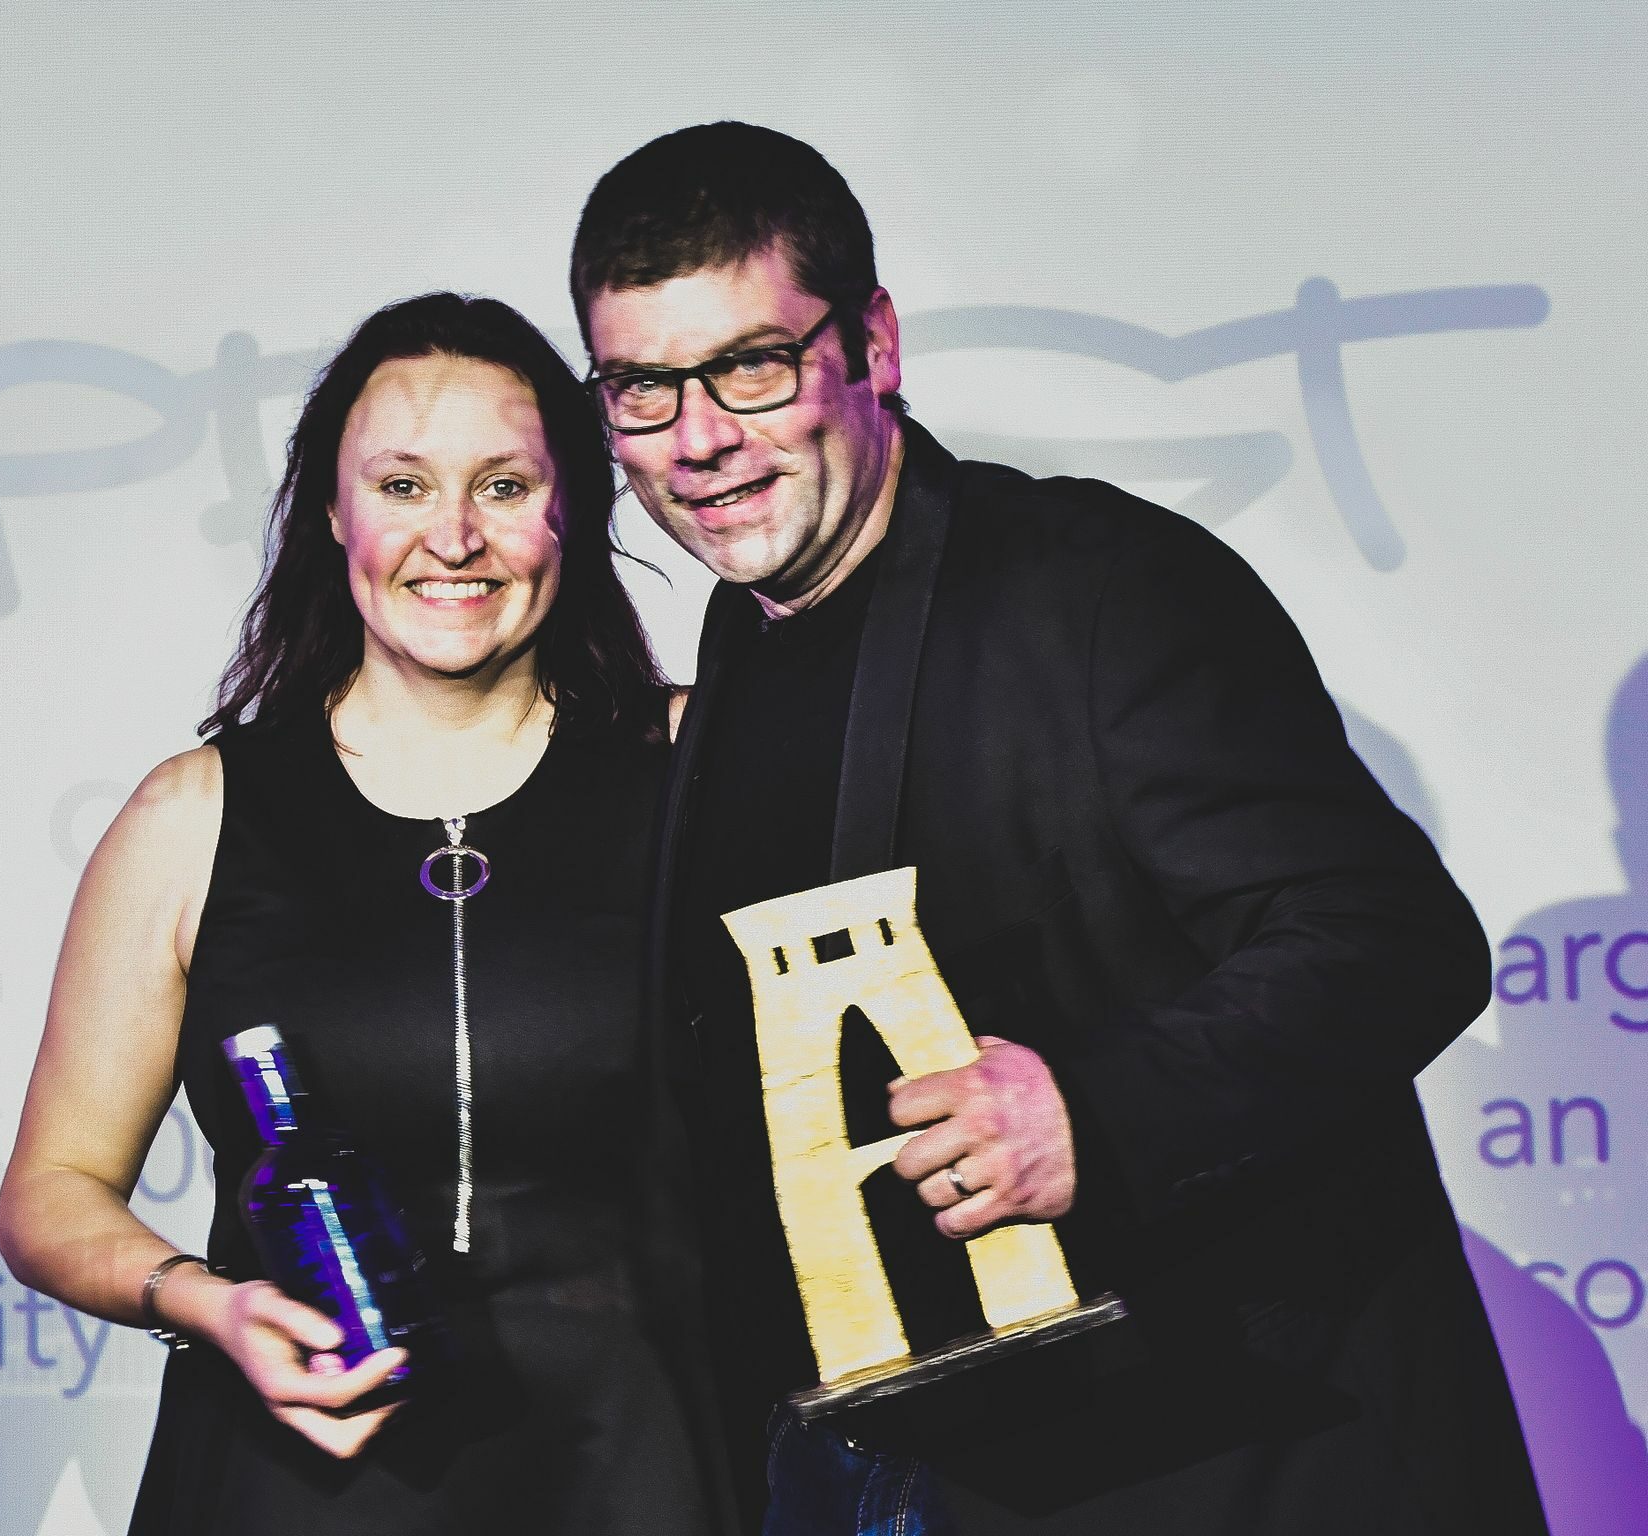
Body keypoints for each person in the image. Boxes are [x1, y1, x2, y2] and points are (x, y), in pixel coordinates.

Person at [570, 123, 1548, 1535]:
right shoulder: (735, 653)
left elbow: (1397, 943)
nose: (701, 437)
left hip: (1226, 1472)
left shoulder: (1098, 585)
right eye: (643, 389)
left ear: (875, 345)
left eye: (752, 365)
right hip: (915, 1476)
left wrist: (1097, 1109)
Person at [0, 292, 731, 1534]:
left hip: (636, 1470)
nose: (453, 536)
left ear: (573, 511)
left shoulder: (699, 768)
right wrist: (208, 1301)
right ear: (333, 513)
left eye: (502, 485)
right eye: (402, 486)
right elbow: (54, 1190)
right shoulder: (194, 813)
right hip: (294, 1482)